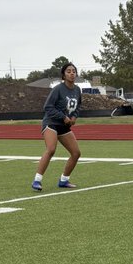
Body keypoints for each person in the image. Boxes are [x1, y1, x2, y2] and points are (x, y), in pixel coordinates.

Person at [32, 62, 82, 190]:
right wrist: (63, 117)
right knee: (51, 149)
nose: (72, 73)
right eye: (68, 71)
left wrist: (74, 117)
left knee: (76, 153)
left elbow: (77, 107)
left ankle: (64, 180)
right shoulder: (58, 89)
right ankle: (37, 180)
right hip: (51, 123)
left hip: (64, 126)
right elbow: (48, 107)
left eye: (73, 71)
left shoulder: (77, 90)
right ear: (63, 75)